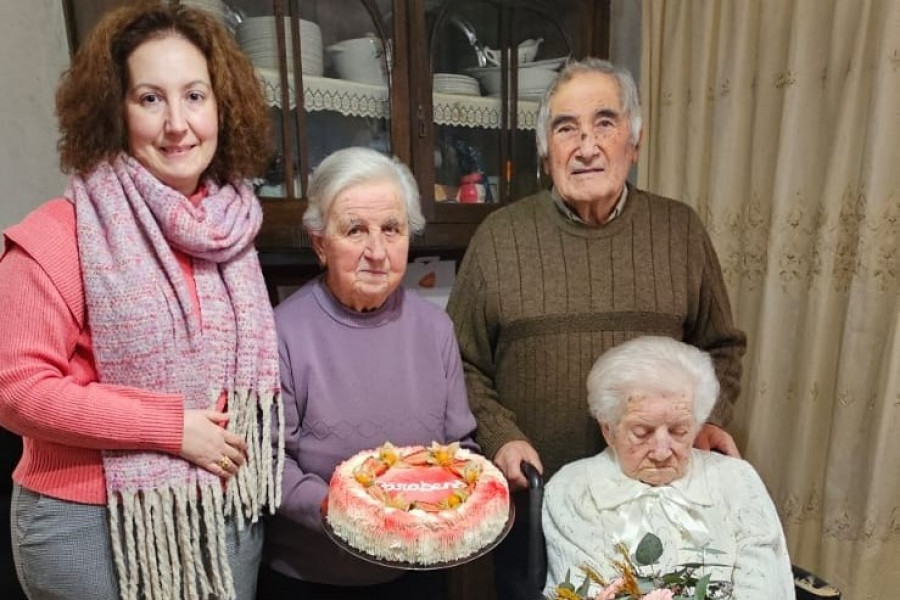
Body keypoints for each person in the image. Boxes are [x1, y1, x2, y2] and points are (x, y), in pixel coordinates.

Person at [0, 3, 280, 599]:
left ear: (222, 109)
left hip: (225, 511)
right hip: (90, 527)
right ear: (114, 111)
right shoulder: (61, 232)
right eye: (150, 99)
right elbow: (14, 389)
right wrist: (169, 428)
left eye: (195, 96)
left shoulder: (231, 233)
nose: (177, 123)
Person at [445, 56, 747, 598]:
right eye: (567, 129)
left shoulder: (679, 231)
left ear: (634, 140)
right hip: (533, 515)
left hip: (660, 511)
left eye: (604, 124)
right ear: (546, 151)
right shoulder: (499, 238)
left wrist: (700, 420)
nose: (587, 146)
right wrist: (500, 436)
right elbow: (458, 362)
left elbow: (721, 347)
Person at [258, 146, 476, 600]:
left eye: (392, 229)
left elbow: (461, 448)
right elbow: (270, 465)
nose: (377, 252)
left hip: (418, 570)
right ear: (320, 243)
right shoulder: (282, 332)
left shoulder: (435, 328)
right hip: (314, 576)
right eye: (356, 230)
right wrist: (351, 514)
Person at [542, 336, 794, 599]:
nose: (662, 452)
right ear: (609, 430)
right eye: (642, 432)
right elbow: (583, 589)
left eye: (679, 430)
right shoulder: (574, 488)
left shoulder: (737, 480)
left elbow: (764, 588)